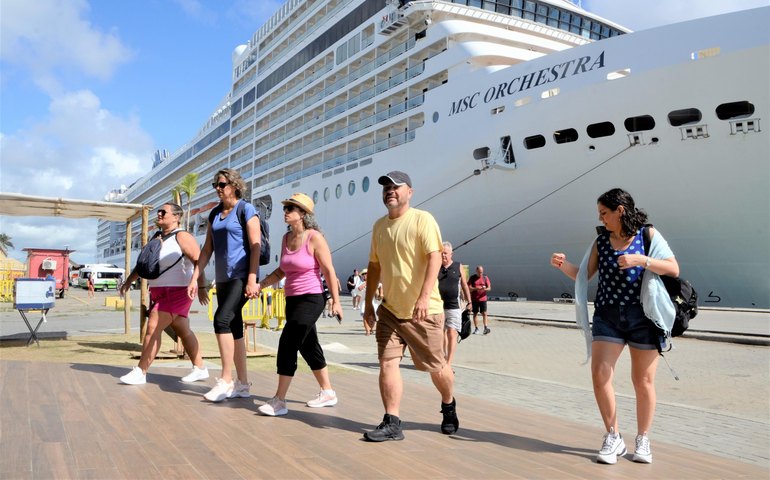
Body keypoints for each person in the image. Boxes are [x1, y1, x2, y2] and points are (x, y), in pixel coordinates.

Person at [550, 188, 679, 465]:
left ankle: (643, 439)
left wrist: (641, 260)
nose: (601, 218)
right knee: (600, 374)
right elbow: (583, 275)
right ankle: (613, 436)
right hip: (607, 315)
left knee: (642, 382)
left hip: (643, 317)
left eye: (604, 213)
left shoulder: (648, 235)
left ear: (620, 210)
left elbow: (673, 268)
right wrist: (563, 266)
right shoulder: (601, 241)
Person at [362, 170, 458, 442]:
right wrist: (369, 305)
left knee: (436, 368)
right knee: (387, 363)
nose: (389, 191)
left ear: (410, 192)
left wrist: (425, 297)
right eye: (386, 188)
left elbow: (434, 257)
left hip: (423, 312)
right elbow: (374, 265)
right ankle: (392, 421)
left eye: (395, 187)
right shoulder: (379, 226)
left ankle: (448, 404)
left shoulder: (422, 219)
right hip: (391, 310)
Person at [255, 193, 343, 416]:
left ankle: (279, 400)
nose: (285, 212)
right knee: (307, 344)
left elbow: (329, 270)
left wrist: (336, 301)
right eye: (285, 208)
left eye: (291, 209)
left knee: (288, 342)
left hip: (312, 297)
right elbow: (282, 270)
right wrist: (262, 284)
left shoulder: (314, 238)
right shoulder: (286, 239)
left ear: (303, 214)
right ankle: (328, 391)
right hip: (292, 298)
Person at [119, 203, 210, 386]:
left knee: (153, 327)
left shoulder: (183, 236)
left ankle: (141, 371)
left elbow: (198, 261)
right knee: (182, 329)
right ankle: (200, 368)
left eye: (163, 212)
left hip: (177, 290)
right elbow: (144, 264)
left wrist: (200, 286)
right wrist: (129, 281)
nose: (159, 214)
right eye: (158, 211)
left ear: (176, 217)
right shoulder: (158, 237)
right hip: (159, 290)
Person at [190, 168, 261, 402]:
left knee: (221, 319)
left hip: (240, 275)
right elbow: (207, 249)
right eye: (215, 186)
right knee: (235, 326)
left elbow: (255, 246)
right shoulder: (214, 214)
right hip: (222, 278)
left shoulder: (246, 209)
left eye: (222, 184)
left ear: (234, 185)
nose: (218, 189)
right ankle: (243, 383)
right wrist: (196, 279)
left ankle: (226, 379)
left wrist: (252, 278)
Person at [437, 241, 472, 366]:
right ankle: (444, 357)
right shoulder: (436, 266)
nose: (443, 256)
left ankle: (449, 363)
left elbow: (464, 285)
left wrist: (469, 301)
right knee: (441, 334)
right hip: (438, 306)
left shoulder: (458, 266)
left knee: (452, 332)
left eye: (445, 253)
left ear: (452, 254)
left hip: (454, 306)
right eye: (441, 253)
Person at [357, 268, 383, 335]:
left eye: (366, 274)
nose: (364, 275)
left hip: (374, 303)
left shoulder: (376, 283)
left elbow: (381, 290)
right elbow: (359, 289)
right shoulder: (362, 283)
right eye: (363, 274)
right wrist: (367, 282)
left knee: (373, 317)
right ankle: (367, 330)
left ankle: (371, 329)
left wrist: (380, 294)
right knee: (365, 316)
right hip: (364, 303)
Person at [467, 266, 491, 335]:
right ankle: (476, 328)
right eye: (479, 272)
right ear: (476, 271)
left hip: (483, 299)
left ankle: (485, 327)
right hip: (474, 299)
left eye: (482, 272)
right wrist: (476, 288)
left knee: (484, 313)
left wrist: (484, 289)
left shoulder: (485, 278)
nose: (481, 273)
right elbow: (469, 288)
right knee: (475, 313)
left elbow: (489, 288)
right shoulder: (472, 278)